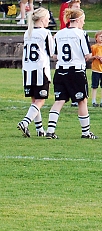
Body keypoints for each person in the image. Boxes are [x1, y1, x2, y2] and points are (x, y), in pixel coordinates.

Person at [46, 8, 97, 139]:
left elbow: (55, 56)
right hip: (76, 71)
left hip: (60, 70)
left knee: (59, 100)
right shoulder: (81, 34)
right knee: (82, 101)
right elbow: (87, 55)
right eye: (83, 20)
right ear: (79, 20)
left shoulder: (59, 34)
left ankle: (50, 131)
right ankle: (85, 132)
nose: (83, 23)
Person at [17, 8, 55, 137]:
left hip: (27, 70)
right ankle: (25, 122)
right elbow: (51, 52)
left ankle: (39, 130)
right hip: (40, 70)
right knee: (41, 100)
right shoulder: (45, 33)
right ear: (42, 19)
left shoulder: (28, 32)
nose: (49, 20)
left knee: (34, 100)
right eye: (48, 18)